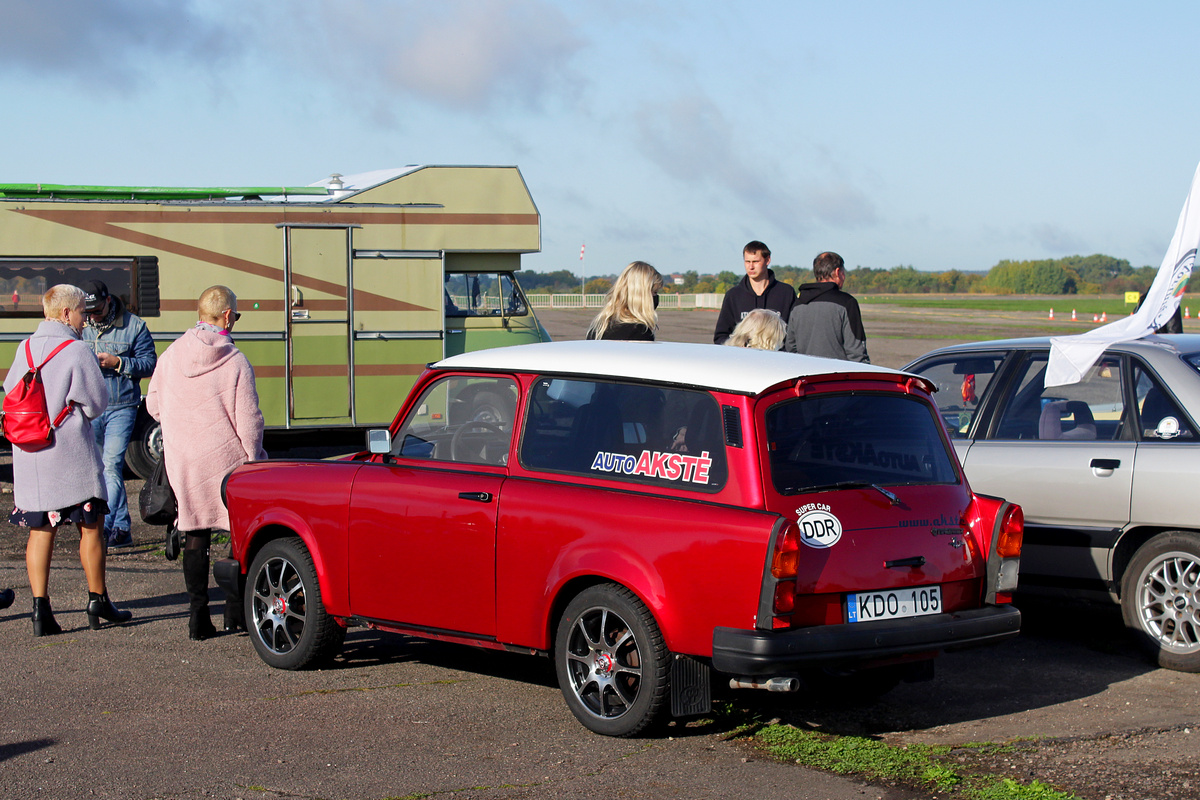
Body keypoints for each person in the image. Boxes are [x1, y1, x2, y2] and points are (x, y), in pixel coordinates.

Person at [3, 284, 132, 636]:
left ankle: (40, 611)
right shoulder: (75, 350)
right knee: (90, 526)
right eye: (80, 313)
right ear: (65, 314)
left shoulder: (24, 347)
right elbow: (96, 404)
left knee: (40, 530)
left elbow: (11, 393)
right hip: (69, 454)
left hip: (30, 455)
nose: (84, 320)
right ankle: (97, 600)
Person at [146, 285, 266, 640]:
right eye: (237, 316)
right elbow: (249, 422)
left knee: (194, 533)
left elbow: (153, 405)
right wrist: (255, 458)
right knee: (236, 533)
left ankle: (198, 617)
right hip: (227, 462)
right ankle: (235, 613)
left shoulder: (170, 356)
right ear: (227, 316)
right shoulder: (235, 361)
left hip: (185, 461)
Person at [81, 279, 157, 548]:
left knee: (111, 466)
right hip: (91, 407)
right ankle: (122, 527)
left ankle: (110, 527)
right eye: (87, 311)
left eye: (97, 310)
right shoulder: (80, 325)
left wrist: (119, 362)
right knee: (100, 468)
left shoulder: (134, 326)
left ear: (109, 301)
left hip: (122, 406)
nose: (92, 316)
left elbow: (149, 363)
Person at [785, 251, 870, 363]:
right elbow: (856, 351)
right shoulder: (847, 303)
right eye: (843, 273)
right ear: (837, 272)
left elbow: (791, 347)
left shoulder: (798, 305)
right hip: (836, 377)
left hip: (805, 375)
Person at [712, 241, 795, 344]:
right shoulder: (733, 295)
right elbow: (720, 337)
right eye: (747, 261)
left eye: (755, 261)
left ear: (767, 260)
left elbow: (794, 334)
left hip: (777, 358)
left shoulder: (786, 293)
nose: (750, 267)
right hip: (743, 358)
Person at [586, 261, 663, 341]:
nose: (656, 297)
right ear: (643, 296)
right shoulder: (640, 333)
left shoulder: (598, 328)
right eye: (654, 292)